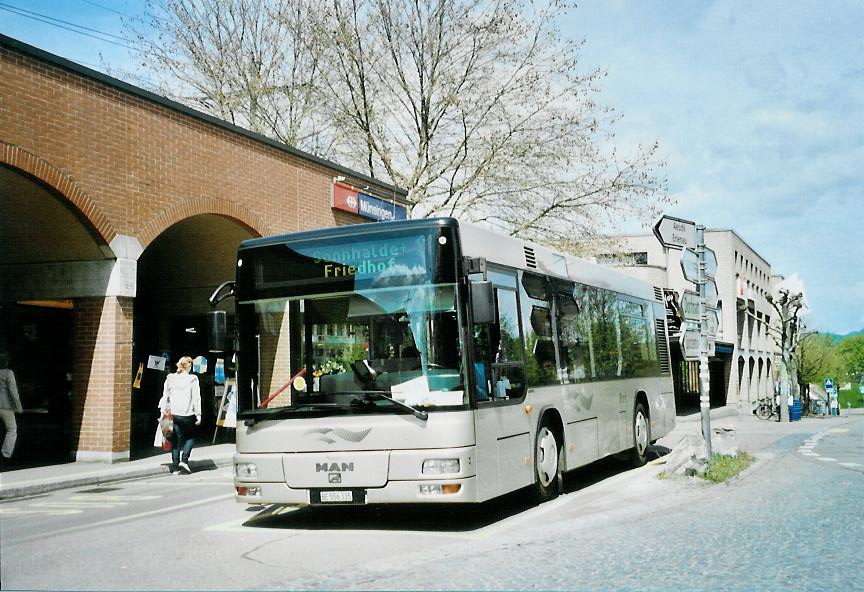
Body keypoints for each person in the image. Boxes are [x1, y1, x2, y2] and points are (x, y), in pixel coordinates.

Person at [158, 356, 201, 474]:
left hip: (175, 413)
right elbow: (196, 398)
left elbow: (165, 396)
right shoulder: (193, 379)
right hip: (188, 414)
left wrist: (162, 412)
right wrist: (199, 414)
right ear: (189, 366)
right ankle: (184, 460)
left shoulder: (170, 378)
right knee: (190, 437)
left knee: (175, 440)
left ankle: (175, 467)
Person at [0, 352, 23, 462]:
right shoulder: (8, 373)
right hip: (5, 405)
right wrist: (18, 407)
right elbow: (14, 392)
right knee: (11, 429)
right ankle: (6, 454)